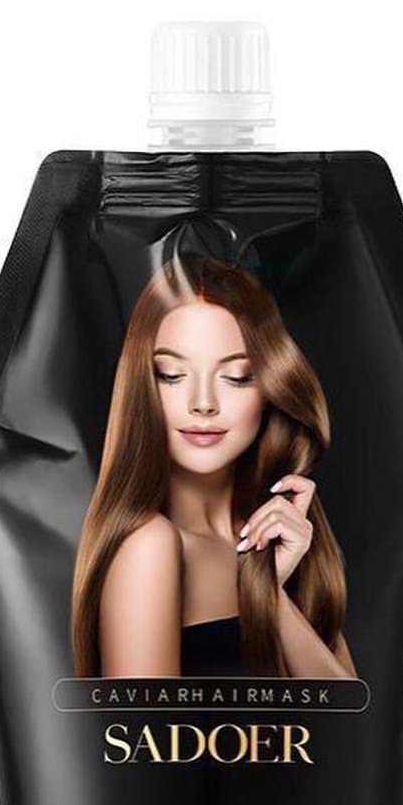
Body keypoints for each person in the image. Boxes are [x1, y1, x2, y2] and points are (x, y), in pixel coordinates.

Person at [71, 255, 356, 680]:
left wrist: (269, 596)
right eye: (171, 375)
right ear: (142, 387)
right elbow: (144, 731)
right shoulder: (150, 547)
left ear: (271, 387)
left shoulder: (279, 539)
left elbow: (355, 716)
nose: (203, 403)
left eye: (237, 377)